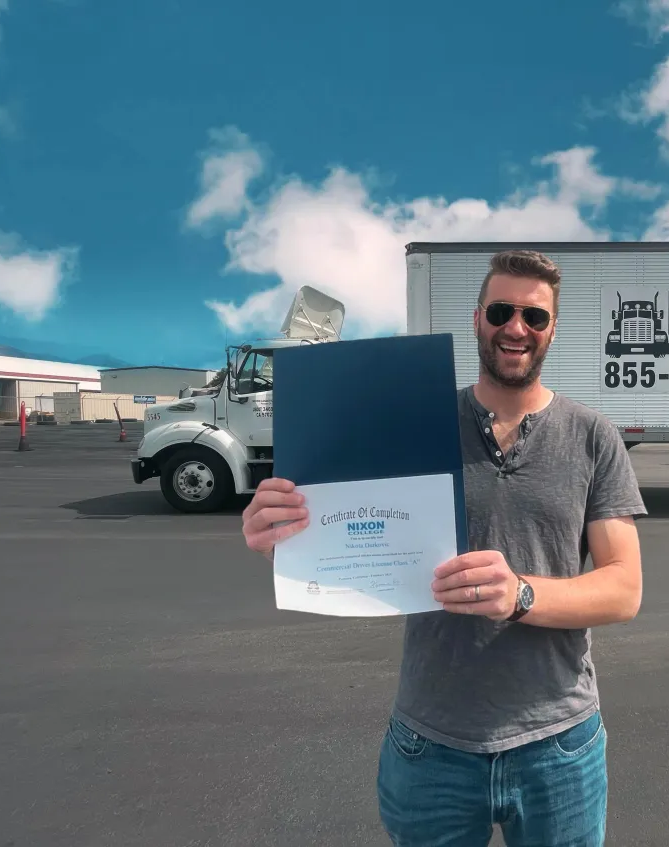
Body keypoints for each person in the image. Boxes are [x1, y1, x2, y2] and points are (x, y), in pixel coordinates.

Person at [241, 248, 647, 846]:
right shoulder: (414, 422)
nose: (517, 328)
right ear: (478, 317)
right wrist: (281, 543)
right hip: (431, 743)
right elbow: (346, 532)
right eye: (502, 311)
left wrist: (521, 593)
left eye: (534, 317)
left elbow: (623, 587)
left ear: (552, 329)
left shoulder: (592, 436)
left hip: (560, 742)